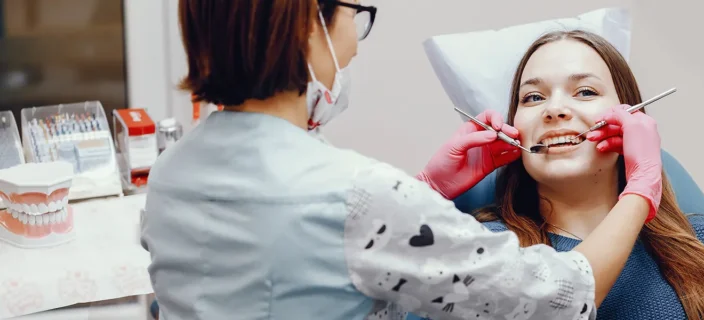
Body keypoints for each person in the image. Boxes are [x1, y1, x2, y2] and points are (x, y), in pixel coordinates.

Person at [141, 1, 665, 319]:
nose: (354, 44)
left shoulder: (170, 172)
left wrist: (422, 192)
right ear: (309, 25)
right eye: (354, 15)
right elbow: (558, 300)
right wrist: (641, 187)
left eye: (586, 91)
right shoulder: (357, 194)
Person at [411, 30, 704, 320]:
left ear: (633, 116)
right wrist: (422, 193)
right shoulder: (480, 249)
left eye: (586, 91)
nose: (555, 109)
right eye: (533, 97)